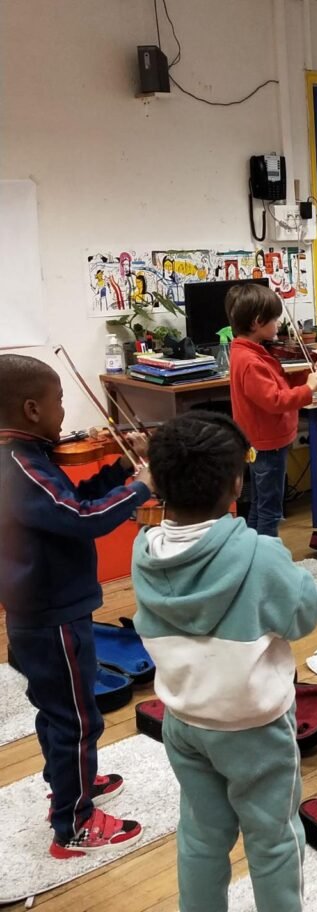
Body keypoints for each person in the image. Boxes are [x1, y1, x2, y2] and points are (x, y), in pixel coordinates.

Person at [132, 411, 317, 911]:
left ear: (157, 483)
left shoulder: (144, 550)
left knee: (200, 834)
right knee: (274, 840)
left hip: (184, 720)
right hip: (254, 728)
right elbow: (305, 615)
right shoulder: (259, 553)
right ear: (237, 482)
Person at [0, 354, 152, 858]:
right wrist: (139, 489)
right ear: (30, 409)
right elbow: (82, 518)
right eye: (59, 401)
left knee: (57, 710)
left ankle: (67, 786)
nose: (65, 411)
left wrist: (114, 472)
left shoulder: (27, 456)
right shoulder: (21, 466)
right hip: (53, 613)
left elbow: (70, 501)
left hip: (41, 609)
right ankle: (76, 822)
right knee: (78, 719)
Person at [226, 283, 317, 537]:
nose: (278, 324)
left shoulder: (250, 352)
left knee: (260, 505)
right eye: (274, 319)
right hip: (267, 443)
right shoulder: (251, 361)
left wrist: (310, 373)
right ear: (258, 322)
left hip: (262, 441)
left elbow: (279, 383)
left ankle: (250, 553)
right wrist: (309, 389)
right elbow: (277, 400)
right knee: (270, 509)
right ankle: (265, 561)